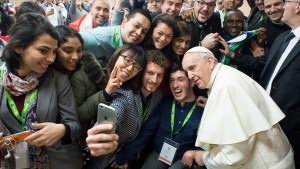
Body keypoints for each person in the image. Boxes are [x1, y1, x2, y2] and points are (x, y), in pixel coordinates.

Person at [181, 46, 294, 168]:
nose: (190, 76)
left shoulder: (225, 87)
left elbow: (234, 155)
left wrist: (205, 158)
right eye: (187, 72)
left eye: (192, 68)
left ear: (210, 62)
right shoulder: (225, 75)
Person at [0, 13, 83, 168]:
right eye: (44, 50)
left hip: (58, 161)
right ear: (18, 47)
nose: (51, 58)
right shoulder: (1, 79)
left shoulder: (57, 79)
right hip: (16, 162)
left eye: (53, 52)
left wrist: (62, 129)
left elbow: (75, 126)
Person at [115, 64, 204, 169]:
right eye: (171, 80)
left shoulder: (204, 108)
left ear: (191, 82)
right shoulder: (165, 103)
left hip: (183, 158)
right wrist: (121, 156)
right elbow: (146, 132)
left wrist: (194, 154)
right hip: (160, 153)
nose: (175, 85)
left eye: (180, 80)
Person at [89, 49, 167, 169]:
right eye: (150, 73)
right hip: (106, 158)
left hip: (130, 155)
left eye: (159, 75)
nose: (154, 80)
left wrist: (125, 155)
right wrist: (98, 135)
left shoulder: (157, 95)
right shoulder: (124, 95)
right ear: (141, 73)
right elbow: (115, 112)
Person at [80, 9, 151, 62]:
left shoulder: (132, 48)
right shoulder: (99, 38)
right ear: (124, 22)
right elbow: (72, 39)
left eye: (144, 32)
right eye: (136, 26)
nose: (139, 33)